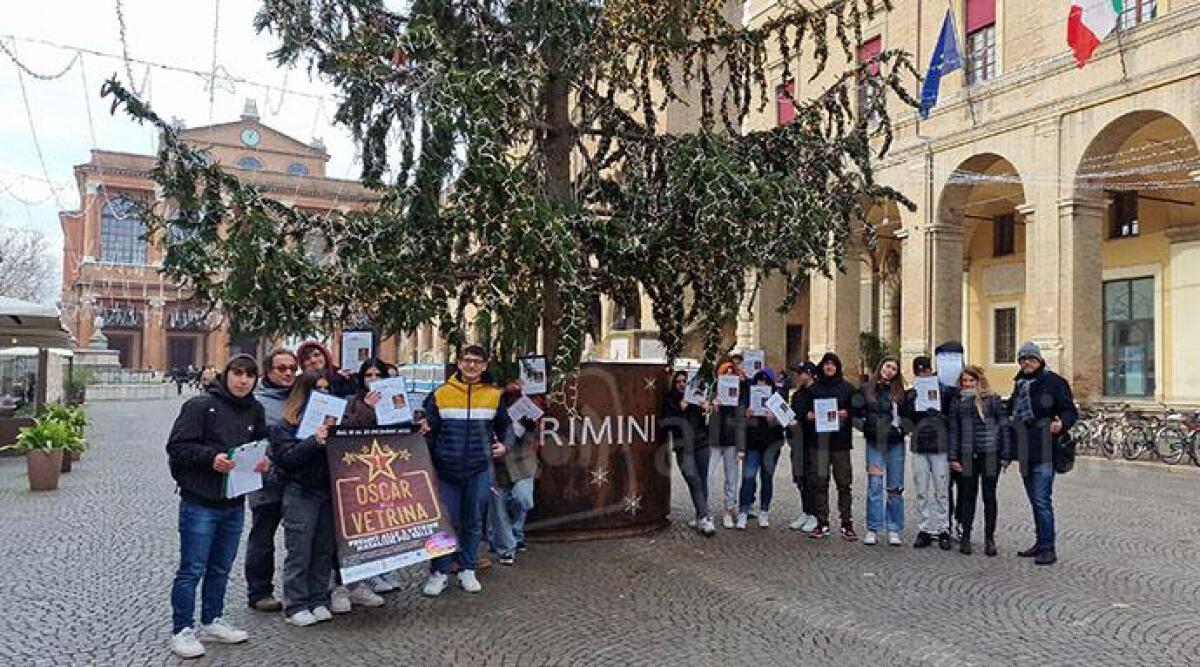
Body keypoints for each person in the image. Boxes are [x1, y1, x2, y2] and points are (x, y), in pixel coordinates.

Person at [165, 354, 269, 659]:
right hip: (200, 500)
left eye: (250, 375)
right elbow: (177, 447)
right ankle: (182, 629)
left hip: (234, 500)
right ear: (226, 375)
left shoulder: (255, 409)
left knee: (221, 567)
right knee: (192, 568)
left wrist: (263, 461)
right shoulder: (199, 406)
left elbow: (261, 444)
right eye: (237, 373)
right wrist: (211, 459)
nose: (243, 380)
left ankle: (212, 620)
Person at [419, 345, 511, 596]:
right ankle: (439, 572)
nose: (472, 366)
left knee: (473, 521)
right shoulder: (441, 394)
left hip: (479, 468)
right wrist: (424, 434)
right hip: (446, 468)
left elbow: (506, 427)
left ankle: (467, 568)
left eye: (477, 362)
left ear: (484, 365)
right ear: (458, 363)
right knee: (444, 523)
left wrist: (505, 445)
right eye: (467, 361)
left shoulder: (494, 395)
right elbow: (430, 431)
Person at [270, 370, 340, 627]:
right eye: (316, 389)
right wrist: (314, 440)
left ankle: (318, 598)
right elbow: (286, 459)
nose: (323, 393)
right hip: (300, 492)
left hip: (327, 491)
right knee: (299, 550)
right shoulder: (284, 426)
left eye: (326, 388)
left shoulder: (334, 423)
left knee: (323, 550)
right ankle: (295, 604)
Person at [1008, 342, 1077, 566]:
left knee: (1041, 500)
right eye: (1023, 359)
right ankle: (1040, 543)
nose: (1027, 362)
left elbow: (1070, 410)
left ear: (1039, 360)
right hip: (1025, 450)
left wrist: (1062, 424)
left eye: (1031, 358)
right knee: (1034, 500)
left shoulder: (1054, 382)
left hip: (1046, 448)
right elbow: (1011, 414)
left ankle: (1048, 548)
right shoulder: (1019, 384)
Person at [342, 357, 406, 593]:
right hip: (361, 470)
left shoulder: (396, 399)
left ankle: (387, 568)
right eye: (368, 376)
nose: (373, 380)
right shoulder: (352, 401)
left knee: (388, 520)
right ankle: (368, 574)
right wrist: (367, 408)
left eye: (377, 375)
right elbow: (347, 431)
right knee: (366, 525)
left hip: (390, 469)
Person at [244, 348, 298, 613]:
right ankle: (260, 591)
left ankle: (299, 591)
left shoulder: (301, 397)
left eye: (292, 368)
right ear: (268, 371)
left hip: (297, 479)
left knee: (299, 539)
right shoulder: (255, 402)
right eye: (281, 368)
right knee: (263, 538)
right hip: (265, 480)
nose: (288, 373)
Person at [948, 366, 1014, 557]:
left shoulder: (991, 400)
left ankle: (989, 538)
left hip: (990, 453)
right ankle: (966, 536)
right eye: (964, 381)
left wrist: (1006, 454)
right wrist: (953, 457)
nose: (967, 384)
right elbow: (954, 431)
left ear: (978, 381)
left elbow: (1004, 428)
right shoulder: (957, 402)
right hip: (968, 455)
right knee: (968, 496)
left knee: (989, 496)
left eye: (970, 380)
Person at [800, 352, 858, 540]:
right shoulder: (813, 389)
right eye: (826, 364)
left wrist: (846, 413)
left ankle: (846, 522)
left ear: (837, 367)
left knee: (844, 483)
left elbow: (856, 412)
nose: (829, 367)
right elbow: (804, 413)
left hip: (840, 443)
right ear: (822, 367)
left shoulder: (848, 389)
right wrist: (809, 416)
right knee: (819, 483)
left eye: (833, 364)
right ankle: (822, 521)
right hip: (819, 443)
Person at [853, 357, 907, 547]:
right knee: (875, 485)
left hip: (895, 443)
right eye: (887, 366)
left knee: (895, 487)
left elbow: (907, 416)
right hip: (875, 442)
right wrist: (866, 427)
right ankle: (873, 528)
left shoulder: (901, 392)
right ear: (881, 367)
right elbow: (855, 413)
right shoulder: (866, 389)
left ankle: (893, 528)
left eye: (894, 368)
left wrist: (903, 430)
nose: (890, 371)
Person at [489, 380, 544, 561]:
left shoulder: (531, 399)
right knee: (499, 505)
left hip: (523, 461)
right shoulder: (494, 397)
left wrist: (530, 428)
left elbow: (537, 430)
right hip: (498, 462)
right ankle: (507, 546)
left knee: (524, 499)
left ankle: (514, 533)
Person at [901, 356, 952, 551]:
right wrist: (910, 405)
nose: (923, 372)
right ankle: (924, 529)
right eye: (919, 370)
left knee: (941, 490)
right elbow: (906, 421)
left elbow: (951, 416)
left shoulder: (944, 391)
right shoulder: (911, 394)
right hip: (920, 445)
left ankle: (943, 529)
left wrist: (940, 415)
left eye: (926, 369)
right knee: (921, 490)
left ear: (931, 370)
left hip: (940, 444)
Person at [662, 370, 715, 536]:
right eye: (678, 381)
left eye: (684, 381)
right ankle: (704, 516)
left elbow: (710, 425)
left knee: (702, 479)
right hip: (683, 447)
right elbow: (666, 424)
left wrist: (708, 410)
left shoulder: (696, 399)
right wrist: (680, 409)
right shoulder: (670, 401)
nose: (681, 384)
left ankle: (702, 517)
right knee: (693, 478)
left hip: (701, 443)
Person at [736, 369, 785, 529]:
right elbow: (740, 420)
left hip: (771, 444)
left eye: (765, 380)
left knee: (767, 478)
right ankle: (743, 511)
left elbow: (789, 420)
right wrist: (746, 414)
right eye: (759, 380)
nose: (761, 383)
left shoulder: (778, 399)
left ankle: (764, 511)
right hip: (752, 444)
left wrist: (774, 418)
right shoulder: (749, 397)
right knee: (748, 477)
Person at [709, 357, 747, 528]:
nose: (729, 376)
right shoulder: (711, 394)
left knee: (732, 478)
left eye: (732, 374)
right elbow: (702, 421)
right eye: (726, 374)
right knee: (707, 477)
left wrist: (741, 447)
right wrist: (712, 409)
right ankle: (706, 511)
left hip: (731, 442)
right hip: (714, 441)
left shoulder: (739, 396)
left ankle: (728, 510)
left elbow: (741, 423)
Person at [788, 362, 820, 532]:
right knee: (799, 477)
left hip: (813, 441)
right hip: (797, 441)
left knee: (811, 478)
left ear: (809, 374)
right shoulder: (797, 394)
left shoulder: (818, 392)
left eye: (800, 373)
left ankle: (815, 514)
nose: (797, 376)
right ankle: (806, 511)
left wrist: (813, 416)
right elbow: (793, 415)